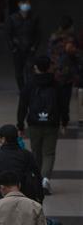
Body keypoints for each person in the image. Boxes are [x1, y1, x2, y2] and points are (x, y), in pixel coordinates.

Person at [17, 55, 66, 195]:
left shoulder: (30, 84)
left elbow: (22, 106)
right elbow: (63, 104)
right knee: (49, 153)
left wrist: (20, 125)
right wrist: (65, 121)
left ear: (35, 68)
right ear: (49, 67)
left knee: (36, 152)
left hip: (34, 123)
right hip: (52, 123)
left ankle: (37, 179)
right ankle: (45, 179)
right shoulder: (56, 84)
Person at [0, 125, 42, 208]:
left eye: (0, 137)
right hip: (24, 201)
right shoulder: (27, 155)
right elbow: (37, 176)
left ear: (4, 139)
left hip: (0, 202)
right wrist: (40, 198)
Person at [48, 16, 80, 139]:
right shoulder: (70, 39)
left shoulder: (53, 37)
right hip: (66, 74)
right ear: (70, 26)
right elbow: (74, 54)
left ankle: (55, 119)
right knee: (65, 99)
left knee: (55, 97)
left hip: (54, 72)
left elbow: (49, 53)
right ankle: (64, 121)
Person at [6, 0, 41, 91]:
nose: (26, 5)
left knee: (30, 69)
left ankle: (29, 89)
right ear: (19, 4)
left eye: (27, 3)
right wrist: (12, 48)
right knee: (19, 71)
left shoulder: (34, 18)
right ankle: (22, 89)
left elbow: (38, 33)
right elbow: (9, 34)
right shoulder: (12, 18)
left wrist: (34, 46)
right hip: (17, 49)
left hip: (30, 48)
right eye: (24, 3)